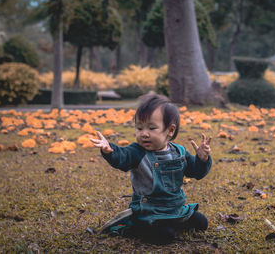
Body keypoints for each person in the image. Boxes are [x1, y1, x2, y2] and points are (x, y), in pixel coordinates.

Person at [90, 94, 212, 244]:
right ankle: (134, 228)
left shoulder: (179, 152)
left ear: (170, 130)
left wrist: (202, 159)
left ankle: (173, 222)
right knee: (165, 236)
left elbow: (196, 172)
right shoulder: (137, 152)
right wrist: (110, 150)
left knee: (201, 223)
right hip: (148, 211)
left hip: (175, 208)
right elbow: (123, 157)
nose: (144, 134)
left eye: (152, 128)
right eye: (139, 128)